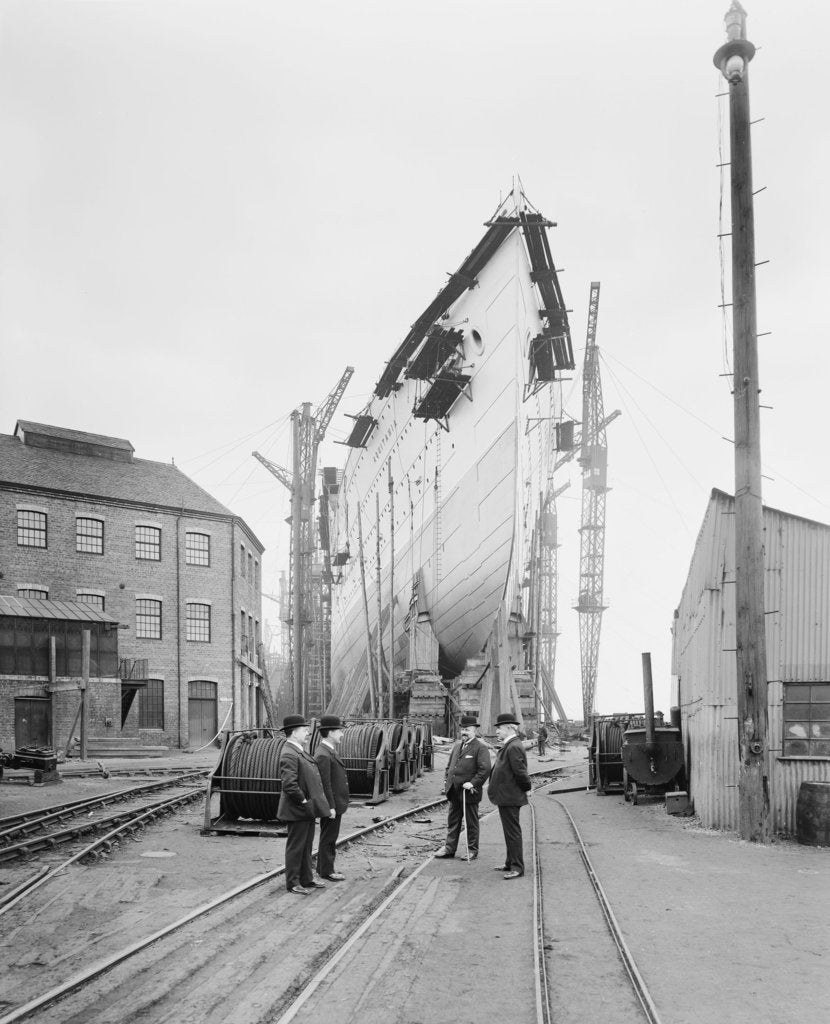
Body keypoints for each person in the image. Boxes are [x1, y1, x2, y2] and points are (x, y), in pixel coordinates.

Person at [277, 714, 332, 895]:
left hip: (305, 810)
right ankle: (293, 882)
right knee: (296, 846)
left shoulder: (298, 750)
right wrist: (303, 801)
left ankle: (306, 879)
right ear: (293, 733)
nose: (308, 733)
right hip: (297, 809)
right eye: (304, 730)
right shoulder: (289, 753)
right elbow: (289, 784)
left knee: (307, 845)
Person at [434, 714, 491, 861]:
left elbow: (484, 770)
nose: (464, 732)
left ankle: (472, 850)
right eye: (462, 729)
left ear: (474, 731)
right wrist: (446, 781)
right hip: (454, 791)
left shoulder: (480, 748)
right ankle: (449, 849)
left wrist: (472, 783)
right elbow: (449, 766)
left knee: (471, 823)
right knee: (453, 822)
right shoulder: (457, 746)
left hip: (469, 793)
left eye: (467, 730)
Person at [487, 711, 532, 879]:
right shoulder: (510, 745)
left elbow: (520, 771)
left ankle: (517, 867)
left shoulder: (513, 746)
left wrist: (527, 787)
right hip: (506, 795)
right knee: (509, 831)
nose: (497, 731)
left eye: (499, 728)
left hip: (510, 796)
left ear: (508, 728)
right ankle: (509, 862)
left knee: (512, 832)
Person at [314, 714, 349, 881]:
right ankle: (327, 871)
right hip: (332, 805)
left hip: (335, 803)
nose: (342, 734)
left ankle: (323, 868)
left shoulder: (328, 751)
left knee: (329, 836)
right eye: (339, 731)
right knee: (329, 837)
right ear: (330, 733)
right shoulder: (323, 754)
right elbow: (324, 784)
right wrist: (330, 807)